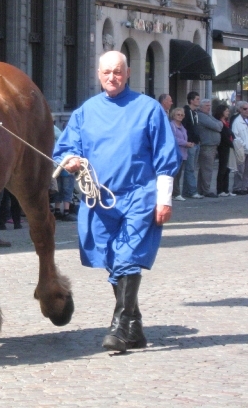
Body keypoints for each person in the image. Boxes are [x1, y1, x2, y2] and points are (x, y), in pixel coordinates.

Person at [53, 51, 180, 353]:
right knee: (111, 259)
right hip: (99, 199)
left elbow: (166, 156)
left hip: (139, 195)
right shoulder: (86, 112)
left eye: (118, 72)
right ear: (98, 74)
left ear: (128, 73)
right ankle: (134, 325)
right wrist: (69, 160)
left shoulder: (148, 109)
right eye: (107, 72)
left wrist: (164, 199)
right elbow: (66, 147)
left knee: (127, 259)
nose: (112, 77)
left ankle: (119, 327)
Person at [195, 98, 222, 198]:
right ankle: (206, 190)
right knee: (207, 169)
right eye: (206, 106)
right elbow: (217, 126)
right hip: (207, 146)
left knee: (204, 169)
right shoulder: (202, 116)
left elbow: (219, 123)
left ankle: (201, 189)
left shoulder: (208, 116)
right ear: (201, 107)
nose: (209, 107)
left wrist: (219, 124)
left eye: (209, 105)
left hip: (211, 146)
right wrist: (219, 125)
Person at [52, 124, 77, 221]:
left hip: (55, 164)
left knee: (58, 189)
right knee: (68, 188)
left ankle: (57, 210)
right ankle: (66, 211)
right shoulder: (65, 137)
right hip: (66, 164)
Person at [181, 91, 203, 199]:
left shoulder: (195, 113)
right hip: (190, 143)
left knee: (192, 168)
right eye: (197, 99)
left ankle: (186, 191)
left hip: (196, 142)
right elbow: (184, 127)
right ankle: (193, 191)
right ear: (191, 100)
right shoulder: (186, 112)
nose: (199, 101)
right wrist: (187, 141)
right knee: (190, 168)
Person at [169, 107, 194, 201]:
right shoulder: (171, 125)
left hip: (183, 153)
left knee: (179, 174)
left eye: (182, 115)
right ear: (173, 115)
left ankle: (175, 193)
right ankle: (176, 193)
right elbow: (173, 138)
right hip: (175, 153)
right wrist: (185, 143)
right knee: (175, 174)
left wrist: (188, 144)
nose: (180, 116)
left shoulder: (182, 127)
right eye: (178, 114)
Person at [213, 104, 235, 197]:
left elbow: (230, 133)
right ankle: (220, 189)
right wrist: (231, 143)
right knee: (222, 168)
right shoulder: (219, 122)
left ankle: (226, 189)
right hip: (223, 147)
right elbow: (223, 136)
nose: (228, 112)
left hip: (228, 146)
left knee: (227, 168)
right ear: (221, 112)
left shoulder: (226, 122)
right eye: (226, 111)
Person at [232, 101, 248, 195]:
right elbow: (236, 136)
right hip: (241, 149)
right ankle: (237, 187)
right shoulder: (237, 121)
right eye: (245, 109)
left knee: (247, 170)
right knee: (239, 170)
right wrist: (244, 145)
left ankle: (245, 187)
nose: (247, 111)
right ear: (240, 110)